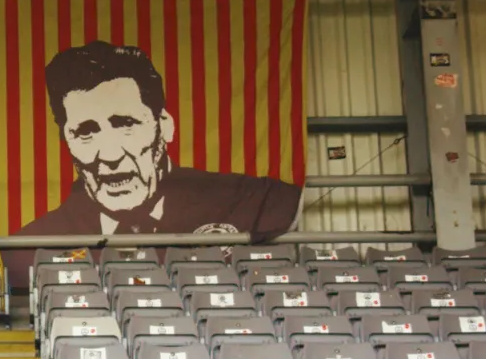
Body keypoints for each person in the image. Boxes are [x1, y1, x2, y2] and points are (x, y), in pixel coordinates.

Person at [17, 40, 301, 240]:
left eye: (125, 124)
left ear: (164, 126)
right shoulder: (30, 246)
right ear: (66, 142)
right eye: (86, 132)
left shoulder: (250, 200)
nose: (110, 154)